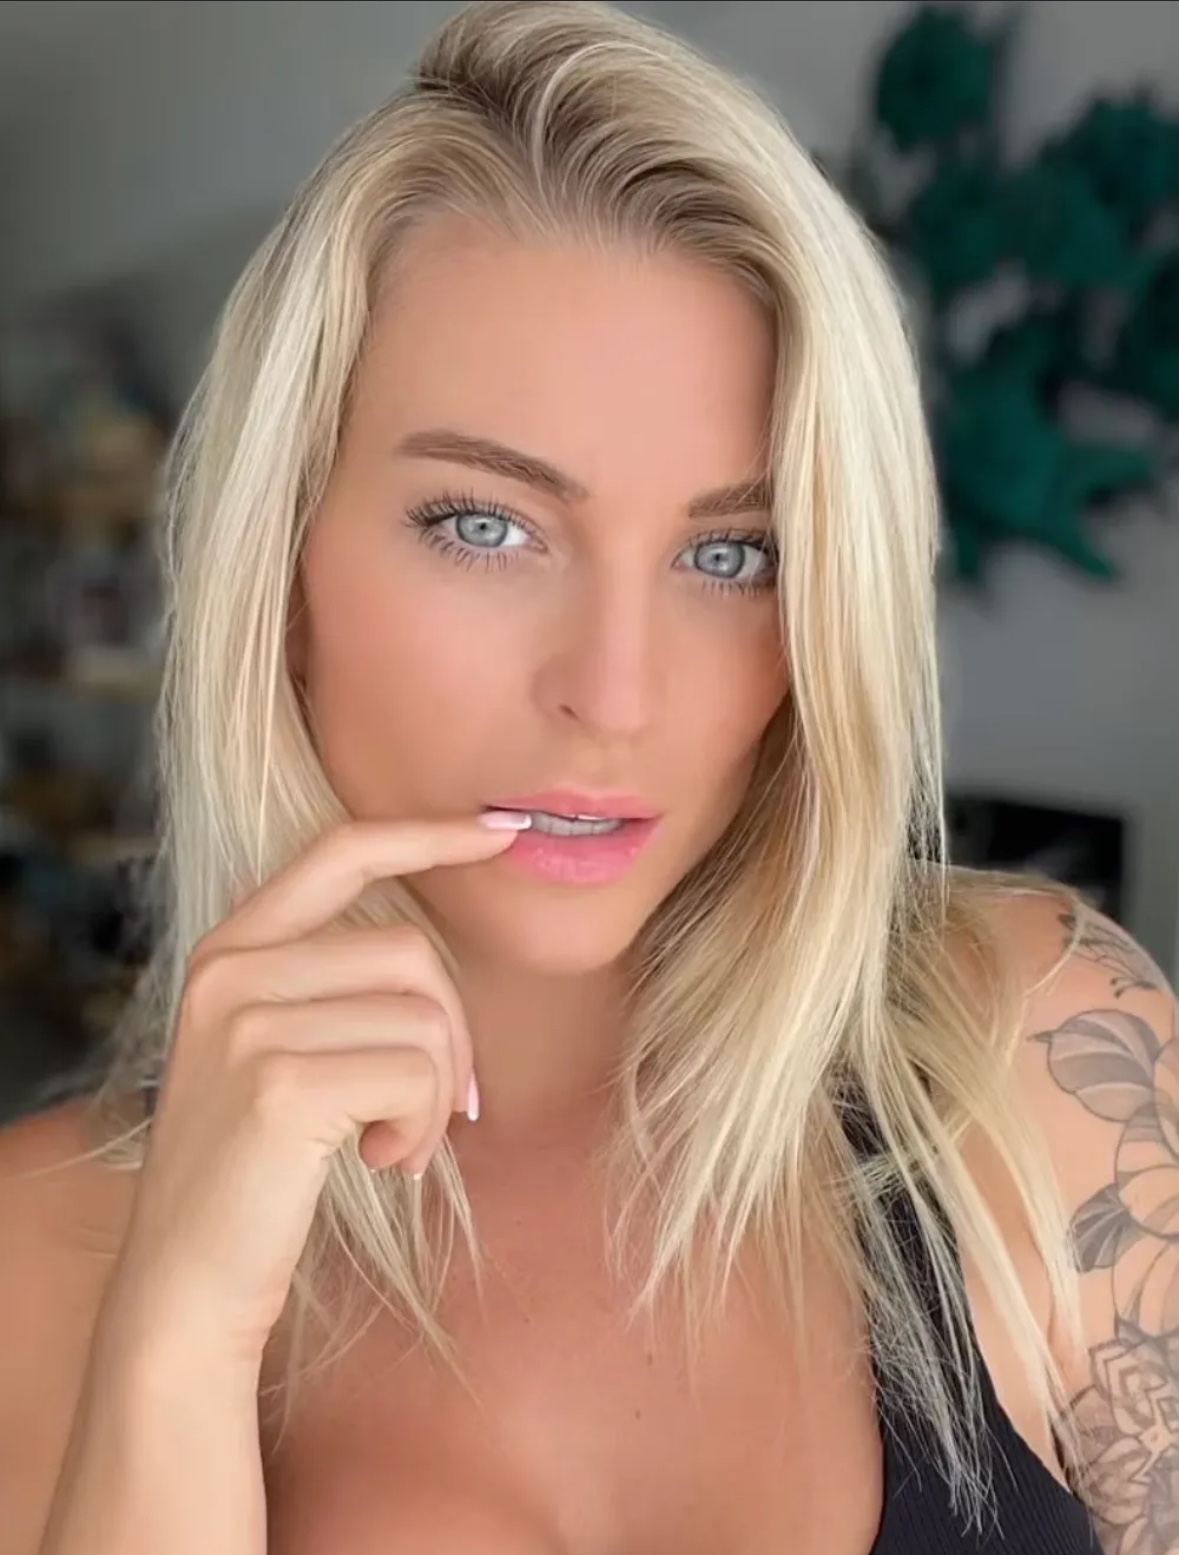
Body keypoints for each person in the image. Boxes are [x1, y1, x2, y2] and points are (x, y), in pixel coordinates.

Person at [0, 2, 1173, 1551]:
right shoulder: (37, 1255)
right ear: (277, 562)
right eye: (485, 526)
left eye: (732, 554)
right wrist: (181, 1337)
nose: (615, 696)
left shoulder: (1039, 1060)